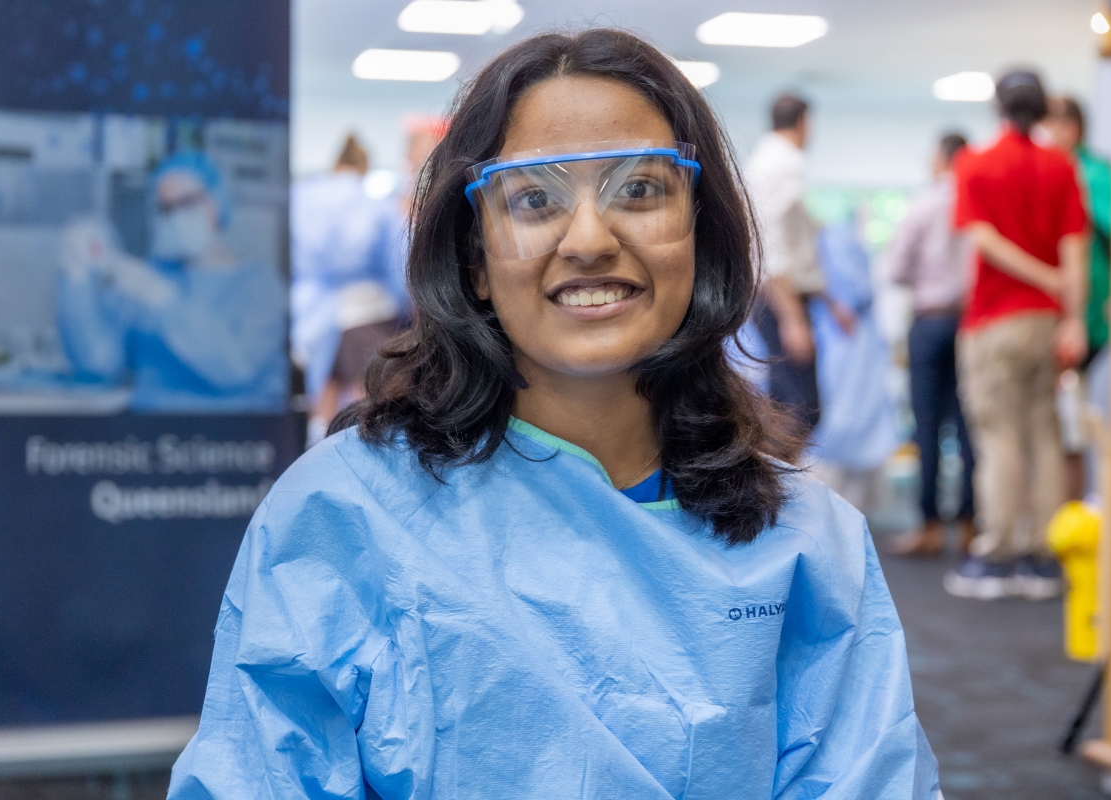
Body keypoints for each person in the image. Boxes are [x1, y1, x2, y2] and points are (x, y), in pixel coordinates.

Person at [169, 29, 939, 799]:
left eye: (638, 190)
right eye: (535, 199)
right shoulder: (342, 515)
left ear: (701, 236)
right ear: (473, 260)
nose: (590, 240)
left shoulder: (807, 539)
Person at [944, 71, 1089, 601]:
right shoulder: (1061, 165)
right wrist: (1070, 312)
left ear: (998, 106)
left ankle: (1000, 553)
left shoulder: (976, 163)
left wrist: (1038, 277)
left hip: (995, 321)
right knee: (1044, 436)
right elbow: (1074, 250)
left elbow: (982, 238)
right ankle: (1043, 557)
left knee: (999, 435)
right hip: (1048, 321)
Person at [56, 152, 287, 412]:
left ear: (218, 200)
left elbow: (236, 369)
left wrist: (165, 301)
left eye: (187, 203)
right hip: (145, 441)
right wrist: (76, 280)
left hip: (231, 445)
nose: (175, 216)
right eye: (165, 208)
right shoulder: (153, 276)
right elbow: (99, 363)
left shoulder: (258, 283)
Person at [884, 133, 977, 557]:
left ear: (942, 159)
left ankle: (930, 526)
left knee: (926, 426)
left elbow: (896, 268)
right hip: (971, 324)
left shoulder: (923, 206)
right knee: (969, 426)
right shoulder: (979, 206)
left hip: (930, 320)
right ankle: (973, 525)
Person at [290, 135, 409, 445]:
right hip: (365, 314)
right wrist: (406, 312)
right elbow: (397, 265)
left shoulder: (301, 196)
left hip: (312, 315)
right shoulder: (374, 205)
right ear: (362, 167)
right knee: (366, 396)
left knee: (323, 393)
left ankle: (315, 451)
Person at [1042, 97, 1111, 500]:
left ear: (1070, 129)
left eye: (1049, 125)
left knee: (1069, 425)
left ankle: (1069, 519)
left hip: (1085, 318)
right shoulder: (1054, 172)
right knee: (1055, 425)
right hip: (1055, 315)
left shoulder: (1092, 174)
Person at [746, 93, 831, 437]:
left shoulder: (762, 162)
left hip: (774, 296)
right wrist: (792, 318)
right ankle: (781, 487)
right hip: (780, 297)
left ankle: (779, 485)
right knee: (800, 409)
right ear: (803, 122)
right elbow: (771, 247)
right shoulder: (783, 164)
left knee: (785, 402)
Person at [807, 217, 900, 514]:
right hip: (848, 348)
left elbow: (858, 290)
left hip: (851, 347)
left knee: (849, 424)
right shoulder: (835, 242)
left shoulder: (834, 241)